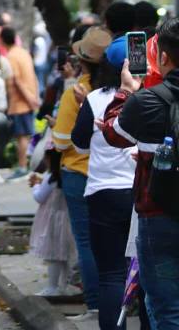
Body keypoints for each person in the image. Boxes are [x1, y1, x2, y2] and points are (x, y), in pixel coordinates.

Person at [101, 17, 179, 328]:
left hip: (157, 216)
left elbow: (113, 133)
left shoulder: (147, 100)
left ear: (162, 56)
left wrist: (126, 90)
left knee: (166, 307)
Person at [71, 52, 133, 330]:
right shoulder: (152, 96)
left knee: (111, 275)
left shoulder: (95, 99)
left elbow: (80, 144)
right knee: (145, 277)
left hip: (102, 193)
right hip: (140, 195)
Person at [52, 25, 105, 322]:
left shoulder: (77, 92)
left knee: (86, 242)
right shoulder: (119, 90)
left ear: (81, 61)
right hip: (109, 176)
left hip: (76, 173)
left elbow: (60, 141)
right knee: (110, 242)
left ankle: (95, 305)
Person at [27, 146, 78, 297]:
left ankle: (52, 287)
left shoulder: (51, 177)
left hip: (52, 219)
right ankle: (64, 285)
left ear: (50, 159)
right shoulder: (66, 176)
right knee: (63, 255)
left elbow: (39, 197)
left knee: (53, 255)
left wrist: (35, 185)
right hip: (66, 218)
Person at [2, 26, 40, 178]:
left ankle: (23, 166)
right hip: (29, 98)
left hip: (20, 102)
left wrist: (29, 99)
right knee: (25, 135)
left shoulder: (11, 56)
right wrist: (34, 97)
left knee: (21, 136)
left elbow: (16, 80)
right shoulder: (23, 52)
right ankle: (26, 165)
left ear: (3, 40)